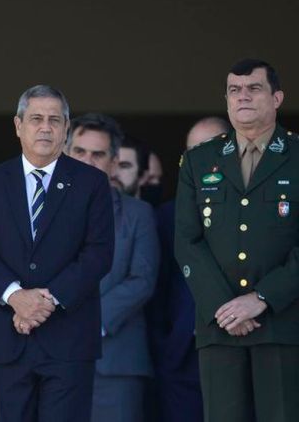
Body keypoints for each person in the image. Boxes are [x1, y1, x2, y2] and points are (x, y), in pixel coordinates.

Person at [0, 85, 114, 422]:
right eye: (36, 119)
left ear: (66, 128)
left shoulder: (91, 182)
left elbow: (98, 253)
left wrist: (44, 301)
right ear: (18, 125)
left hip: (68, 337)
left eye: (54, 120)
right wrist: (15, 296)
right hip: (7, 336)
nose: (45, 128)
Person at [175, 59, 299, 422]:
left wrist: (261, 298)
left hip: (282, 322)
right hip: (219, 326)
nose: (242, 96)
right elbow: (186, 241)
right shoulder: (199, 160)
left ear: (277, 98)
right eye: (234, 90)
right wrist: (225, 308)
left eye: (253, 88)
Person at [65, 113, 159, 422]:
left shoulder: (138, 214)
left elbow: (142, 279)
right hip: (52, 360)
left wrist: (90, 321)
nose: (87, 161)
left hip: (115, 362)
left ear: (114, 162)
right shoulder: (39, 209)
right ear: (65, 153)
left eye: (98, 154)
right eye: (79, 151)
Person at [149, 116, 228, 422]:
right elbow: (157, 288)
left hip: (243, 346)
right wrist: (165, 343)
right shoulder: (168, 215)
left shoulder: (261, 210)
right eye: (193, 150)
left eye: (212, 147)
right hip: (183, 351)